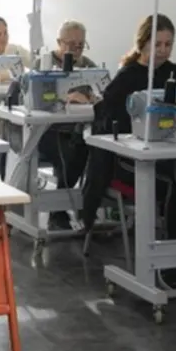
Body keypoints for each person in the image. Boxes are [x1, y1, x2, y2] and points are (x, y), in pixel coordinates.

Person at [78, 15, 176, 249]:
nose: (163, 50)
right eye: (157, 44)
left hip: (169, 152)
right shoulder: (127, 78)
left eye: (168, 44)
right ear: (143, 43)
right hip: (127, 160)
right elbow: (110, 119)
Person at [39, 20, 98, 231]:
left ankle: (86, 206)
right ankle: (59, 210)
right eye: (70, 45)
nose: (75, 50)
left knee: (94, 150)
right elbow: (37, 98)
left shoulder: (89, 67)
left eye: (80, 45)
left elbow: (101, 94)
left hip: (78, 130)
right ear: (58, 42)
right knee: (73, 151)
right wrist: (64, 97)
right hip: (47, 131)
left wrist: (90, 98)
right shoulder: (43, 65)